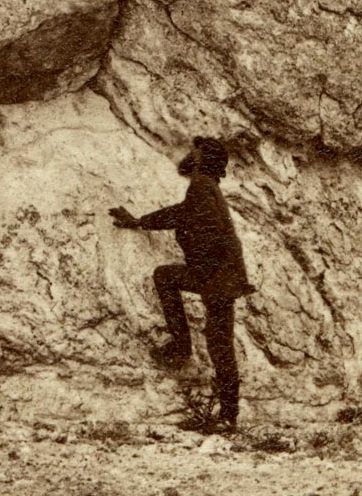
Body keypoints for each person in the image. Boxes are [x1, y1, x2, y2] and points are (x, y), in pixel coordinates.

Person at [109, 135, 254, 430]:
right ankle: (227, 413)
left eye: (195, 152)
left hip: (217, 275)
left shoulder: (201, 185)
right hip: (222, 275)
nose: (190, 154)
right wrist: (139, 221)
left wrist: (202, 269)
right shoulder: (206, 188)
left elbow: (210, 231)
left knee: (218, 342)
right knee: (219, 342)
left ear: (202, 160)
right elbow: (180, 214)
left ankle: (183, 348)